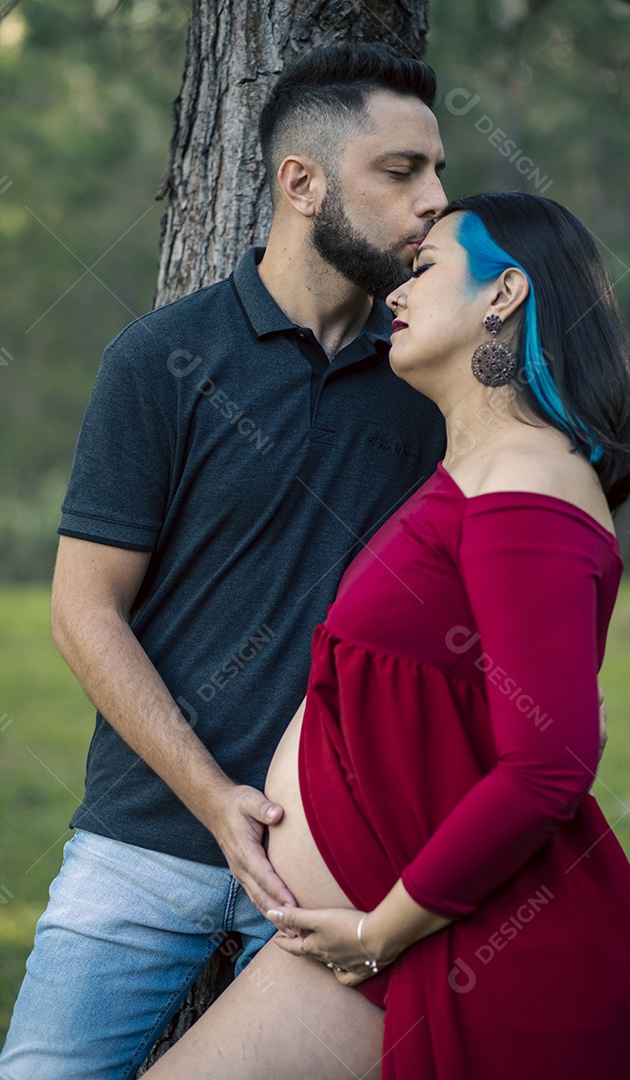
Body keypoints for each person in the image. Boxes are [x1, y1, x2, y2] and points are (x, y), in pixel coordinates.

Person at [141, 192, 630, 1080]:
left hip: (447, 951)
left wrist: (379, 928)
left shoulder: (525, 483)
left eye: (425, 268)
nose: (398, 288)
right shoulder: (473, 475)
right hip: (370, 953)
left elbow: (550, 764)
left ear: (504, 294)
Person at [0, 44, 449, 1080]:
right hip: (143, 837)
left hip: (334, 858)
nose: (433, 200)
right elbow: (82, 611)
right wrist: (213, 797)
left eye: (435, 171)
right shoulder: (161, 359)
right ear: (302, 183)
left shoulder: (429, 377)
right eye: (400, 171)